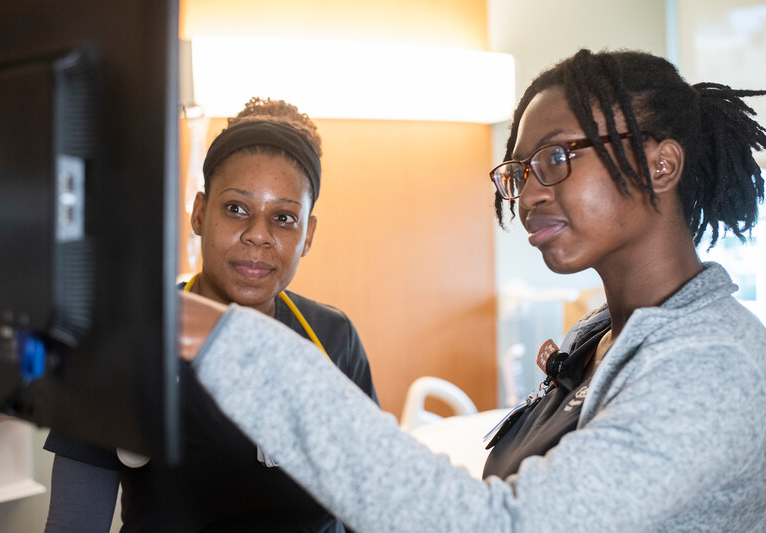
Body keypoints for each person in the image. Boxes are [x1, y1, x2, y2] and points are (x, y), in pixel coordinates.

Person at [178, 49, 766, 532]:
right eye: (518, 173)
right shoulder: (601, 343)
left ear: (661, 165)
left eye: (555, 157)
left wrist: (222, 338)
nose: (528, 194)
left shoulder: (712, 365)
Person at [44, 98, 379, 532]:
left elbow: (372, 512)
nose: (258, 235)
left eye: (283, 217)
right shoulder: (123, 345)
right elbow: (73, 526)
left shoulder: (333, 340)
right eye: (237, 208)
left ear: (307, 235)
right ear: (200, 213)